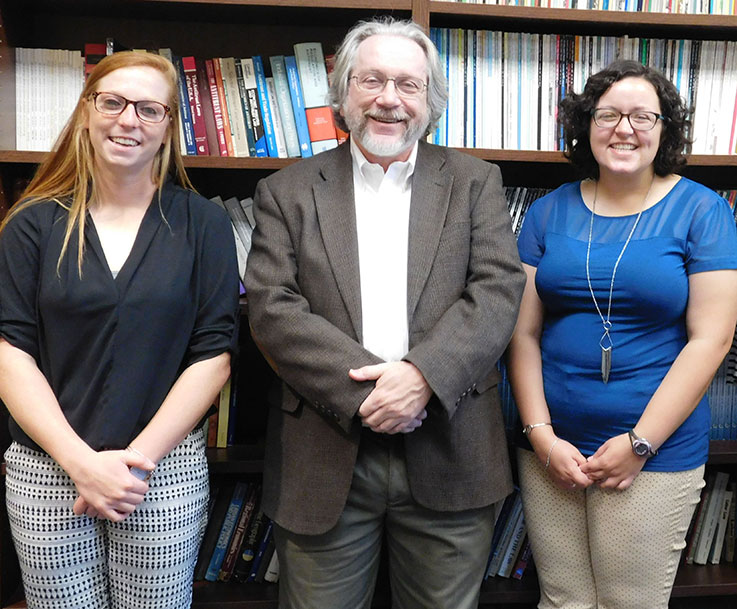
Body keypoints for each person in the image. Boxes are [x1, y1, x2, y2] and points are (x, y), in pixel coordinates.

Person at [244, 17, 525, 609]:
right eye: (371, 81)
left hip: (451, 446)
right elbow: (273, 307)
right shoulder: (286, 191)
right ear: (343, 93)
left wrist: (420, 378)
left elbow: (497, 291)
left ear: (431, 100)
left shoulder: (476, 183)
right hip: (325, 448)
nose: (389, 100)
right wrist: (368, 394)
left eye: (408, 85)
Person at [0, 51, 239, 609]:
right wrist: (82, 464)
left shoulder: (202, 223)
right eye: (113, 102)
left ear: (169, 127)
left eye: (149, 109)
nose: (128, 120)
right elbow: (10, 352)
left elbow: (214, 355)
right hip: (47, 469)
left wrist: (133, 465)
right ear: (87, 112)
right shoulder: (31, 223)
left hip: (162, 470)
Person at [507, 59, 737, 609]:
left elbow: (713, 339)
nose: (625, 129)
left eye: (642, 116)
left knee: (629, 602)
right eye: (608, 115)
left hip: (652, 454)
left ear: (665, 130)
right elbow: (521, 335)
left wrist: (639, 444)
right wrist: (541, 438)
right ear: (586, 126)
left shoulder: (703, 210)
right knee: (563, 601)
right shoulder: (546, 211)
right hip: (551, 451)